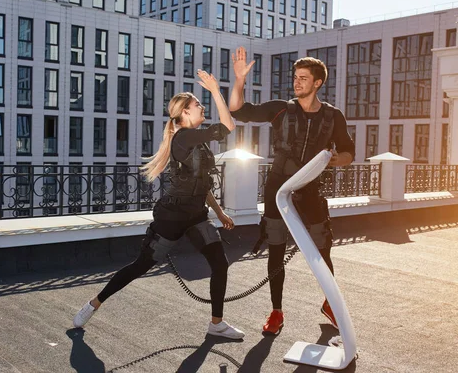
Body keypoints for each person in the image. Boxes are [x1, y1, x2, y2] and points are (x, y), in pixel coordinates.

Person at [73, 69, 245, 339]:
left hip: (196, 214)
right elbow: (228, 127)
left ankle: (216, 324)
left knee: (219, 264)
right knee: (140, 266)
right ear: (185, 113)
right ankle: (93, 304)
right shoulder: (185, 137)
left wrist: (220, 212)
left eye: (201, 103)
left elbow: (201, 183)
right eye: (197, 105)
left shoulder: (197, 140)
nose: (202, 107)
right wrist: (214, 90)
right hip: (173, 215)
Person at [228, 47, 355, 335]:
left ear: (317, 83)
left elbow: (349, 151)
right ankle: (276, 311)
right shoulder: (280, 108)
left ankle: (330, 303)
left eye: (303, 78)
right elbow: (238, 110)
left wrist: (336, 159)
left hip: (311, 190)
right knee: (275, 249)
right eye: (295, 77)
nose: (297, 82)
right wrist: (239, 81)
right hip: (278, 189)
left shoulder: (334, 117)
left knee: (323, 249)